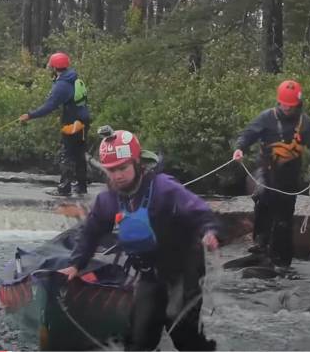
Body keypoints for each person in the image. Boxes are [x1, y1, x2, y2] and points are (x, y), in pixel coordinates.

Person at [59, 130, 219, 351]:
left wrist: (209, 231)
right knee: (139, 338)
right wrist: (76, 264)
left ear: (137, 162)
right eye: (112, 170)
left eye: (123, 168)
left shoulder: (164, 188)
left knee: (179, 325)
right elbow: (91, 232)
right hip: (149, 272)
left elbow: (200, 211)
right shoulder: (107, 200)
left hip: (184, 268)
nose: (117, 176)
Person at [232, 79, 310, 268]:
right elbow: (247, 135)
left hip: (290, 177)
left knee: (284, 219)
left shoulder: (304, 123)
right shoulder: (266, 117)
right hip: (267, 171)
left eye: (290, 105)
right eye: (284, 104)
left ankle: (283, 261)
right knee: (262, 199)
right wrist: (239, 149)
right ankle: (260, 244)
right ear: (278, 101)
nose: (286, 108)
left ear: (298, 104)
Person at [19, 52, 91, 196]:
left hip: (72, 124)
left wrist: (30, 115)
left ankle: (64, 189)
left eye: (50, 65)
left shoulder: (62, 85)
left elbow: (49, 106)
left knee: (67, 155)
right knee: (79, 154)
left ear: (54, 67)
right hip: (83, 121)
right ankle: (81, 187)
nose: (48, 67)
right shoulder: (73, 77)